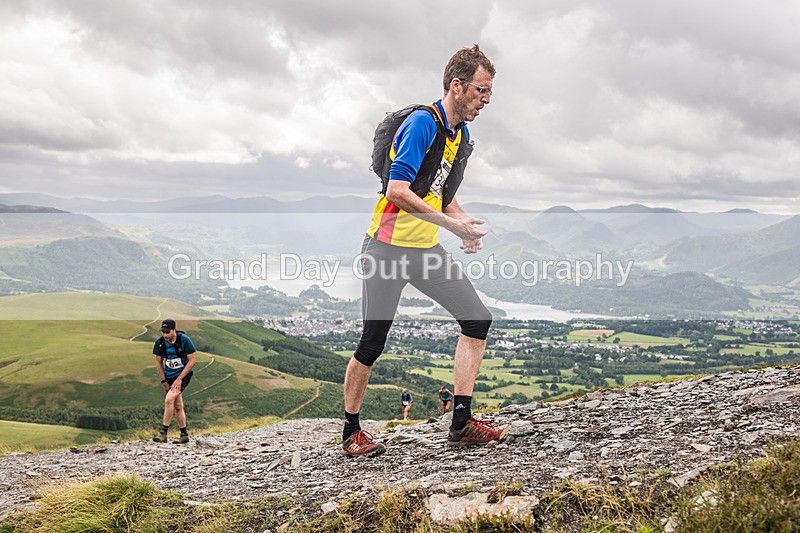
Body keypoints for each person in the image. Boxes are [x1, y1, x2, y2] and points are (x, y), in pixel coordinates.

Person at [341, 44, 508, 457]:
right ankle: (351, 432)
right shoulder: (421, 124)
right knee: (372, 343)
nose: (486, 100)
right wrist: (451, 226)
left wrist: (464, 225)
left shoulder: (459, 135)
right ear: (457, 86)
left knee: (477, 319)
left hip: (424, 251)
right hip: (385, 250)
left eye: (489, 92)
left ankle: (461, 422)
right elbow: (397, 191)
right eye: (482, 90)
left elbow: (440, 193)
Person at [152, 318, 196, 444]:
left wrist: (179, 379)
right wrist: (164, 382)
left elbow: (192, 360)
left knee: (169, 399)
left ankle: (163, 434)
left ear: (174, 330)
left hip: (183, 376)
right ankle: (184, 435)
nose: (165, 335)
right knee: (178, 405)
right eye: (163, 332)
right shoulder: (160, 343)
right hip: (169, 376)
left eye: (168, 332)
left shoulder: (184, 340)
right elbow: (158, 362)